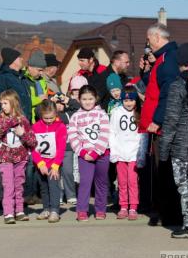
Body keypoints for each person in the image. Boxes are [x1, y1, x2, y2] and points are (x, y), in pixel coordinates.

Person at [159, 43, 188, 238]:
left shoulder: (177, 85)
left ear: (179, 62)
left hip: (181, 145)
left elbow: (171, 121)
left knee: (185, 185)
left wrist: (163, 150)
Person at [138, 23, 180, 226]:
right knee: (158, 171)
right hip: (156, 125)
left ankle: (169, 213)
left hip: (161, 126)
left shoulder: (168, 58)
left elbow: (169, 92)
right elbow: (155, 86)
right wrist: (145, 71)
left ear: (156, 37)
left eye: (148, 38)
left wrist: (158, 119)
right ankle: (162, 209)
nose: (147, 43)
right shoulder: (161, 59)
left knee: (164, 171)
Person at [67, 85, 110, 221]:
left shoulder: (102, 114)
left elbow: (105, 133)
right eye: (84, 99)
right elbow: (73, 135)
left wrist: (96, 151)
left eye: (90, 99)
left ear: (95, 99)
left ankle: (100, 209)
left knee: (101, 182)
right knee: (85, 182)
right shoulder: (75, 117)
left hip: (102, 154)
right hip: (84, 155)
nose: (87, 102)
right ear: (79, 100)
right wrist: (82, 151)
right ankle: (82, 210)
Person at [0, 90, 37, 224]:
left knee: (19, 184)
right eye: (1, 103)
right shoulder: (0, 119)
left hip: (20, 157)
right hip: (6, 157)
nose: (3, 106)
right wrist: (10, 122)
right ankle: (8, 212)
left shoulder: (23, 121)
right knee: (8, 185)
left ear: (14, 103)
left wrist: (22, 133)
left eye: (5, 103)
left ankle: (19, 210)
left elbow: (32, 141)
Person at [109, 87, 142, 220]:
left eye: (132, 100)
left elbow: (141, 134)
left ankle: (133, 207)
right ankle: (123, 206)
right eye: (126, 100)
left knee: (132, 181)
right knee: (122, 181)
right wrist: (114, 151)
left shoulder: (139, 112)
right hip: (120, 152)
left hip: (134, 152)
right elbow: (112, 132)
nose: (129, 103)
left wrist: (141, 153)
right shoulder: (116, 112)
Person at [32, 100, 67, 223]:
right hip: (41, 164)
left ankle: (55, 210)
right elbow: (33, 147)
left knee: (53, 186)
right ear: (41, 115)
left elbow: (61, 148)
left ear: (56, 113)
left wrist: (56, 166)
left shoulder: (61, 127)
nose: (49, 120)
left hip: (54, 164)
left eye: (51, 117)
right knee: (43, 187)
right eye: (45, 118)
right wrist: (40, 164)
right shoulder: (35, 127)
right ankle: (46, 208)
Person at [55, 75, 86, 205]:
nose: (59, 106)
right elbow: (41, 111)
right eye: (57, 104)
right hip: (54, 148)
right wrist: (51, 102)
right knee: (56, 173)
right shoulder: (50, 114)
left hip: (68, 147)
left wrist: (67, 100)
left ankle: (71, 194)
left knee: (68, 171)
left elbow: (78, 109)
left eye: (61, 103)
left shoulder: (70, 113)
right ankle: (58, 195)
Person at [0, 48, 32, 122]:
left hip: (25, 122)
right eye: (19, 57)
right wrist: (2, 121)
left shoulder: (22, 78)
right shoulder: (2, 78)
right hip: (11, 124)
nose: (22, 59)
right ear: (13, 60)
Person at [24, 50, 48, 123]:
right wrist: (39, 99)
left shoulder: (42, 81)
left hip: (42, 119)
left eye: (42, 70)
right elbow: (22, 102)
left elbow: (45, 97)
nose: (41, 73)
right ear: (30, 67)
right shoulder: (22, 80)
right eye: (39, 70)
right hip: (29, 120)